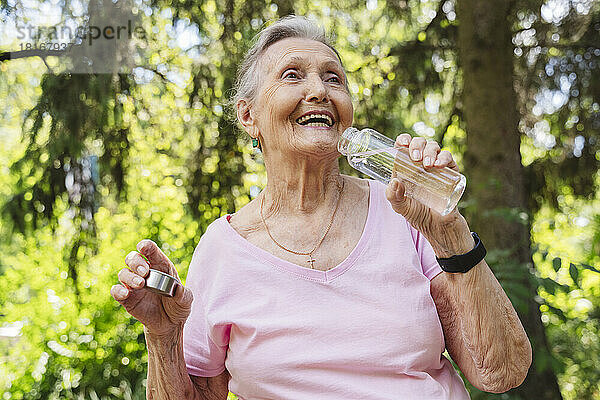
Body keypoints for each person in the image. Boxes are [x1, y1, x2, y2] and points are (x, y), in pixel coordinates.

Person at [111, 16, 532, 400]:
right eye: (292, 75)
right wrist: (164, 336)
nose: (319, 91)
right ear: (249, 115)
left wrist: (449, 232)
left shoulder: (404, 213)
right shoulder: (223, 250)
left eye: (334, 79)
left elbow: (501, 373)